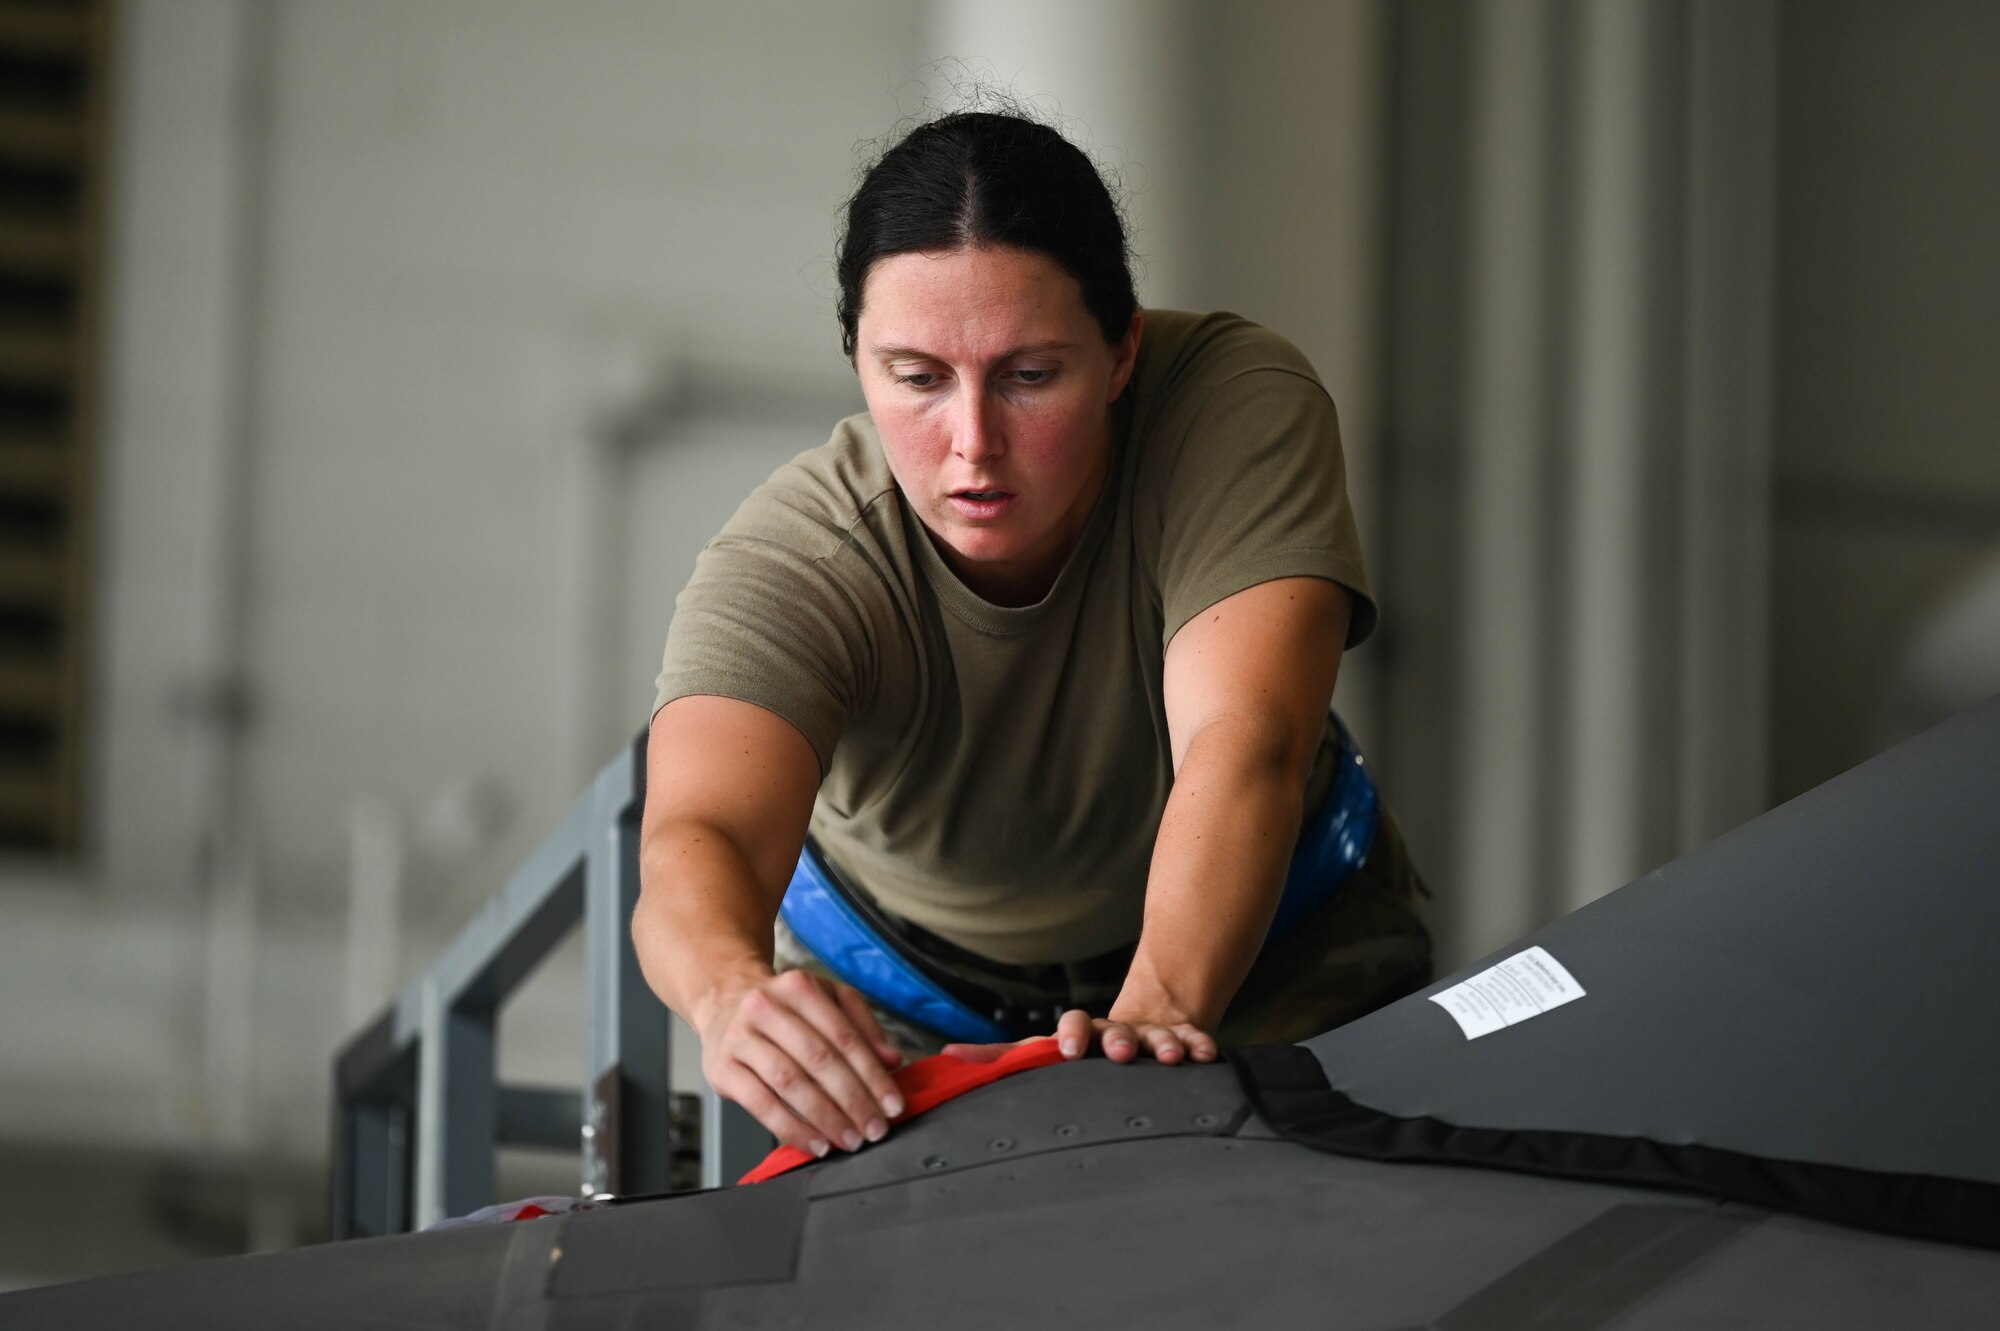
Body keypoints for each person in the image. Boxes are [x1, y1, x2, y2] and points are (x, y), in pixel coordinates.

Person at [632, 110, 1430, 1162]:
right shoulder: (802, 558)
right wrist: (731, 994)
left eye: (1029, 375)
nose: (971, 444)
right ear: (857, 362)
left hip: (1275, 948)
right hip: (912, 1006)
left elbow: (1245, 743)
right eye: (915, 379)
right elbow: (699, 837)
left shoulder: (1228, 405)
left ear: (1120, 350)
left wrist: (1154, 1013)